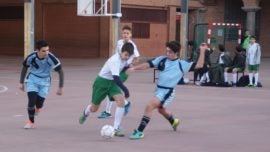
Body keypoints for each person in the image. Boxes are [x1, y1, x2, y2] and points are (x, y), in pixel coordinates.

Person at [127, 41, 207, 139]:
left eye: (170, 52)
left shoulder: (182, 64)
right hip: (158, 90)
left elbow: (199, 65)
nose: (167, 53)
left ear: (176, 53)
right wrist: (134, 68)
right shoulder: (162, 59)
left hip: (167, 92)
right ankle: (174, 121)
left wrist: (202, 51)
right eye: (167, 51)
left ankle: (139, 131)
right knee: (161, 110)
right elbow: (148, 64)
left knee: (150, 106)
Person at [78, 42, 134, 137]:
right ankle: (85, 113)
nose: (127, 58)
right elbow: (117, 78)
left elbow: (124, 67)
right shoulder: (114, 60)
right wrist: (126, 90)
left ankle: (116, 128)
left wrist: (128, 67)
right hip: (101, 83)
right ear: (121, 52)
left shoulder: (125, 59)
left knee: (120, 101)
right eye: (126, 55)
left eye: (129, 56)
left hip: (112, 84)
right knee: (94, 108)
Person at [19, 40, 64, 129]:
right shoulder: (31, 57)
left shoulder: (51, 58)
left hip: (45, 81)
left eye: (48, 50)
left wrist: (60, 87)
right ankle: (31, 121)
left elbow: (61, 72)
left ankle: (38, 108)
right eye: (44, 51)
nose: (46, 52)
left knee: (39, 103)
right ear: (38, 50)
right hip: (32, 79)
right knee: (31, 101)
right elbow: (24, 68)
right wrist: (21, 82)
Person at [97, 25, 140, 119]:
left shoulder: (132, 46)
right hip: (118, 68)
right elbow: (117, 54)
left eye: (127, 33)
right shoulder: (119, 42)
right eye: (124, 33)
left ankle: (120, 106)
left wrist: (131, 64)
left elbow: (137, 58)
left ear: (130, 35)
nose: (125, 34)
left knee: (112, 87)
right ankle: (116, 108)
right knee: (111, 88)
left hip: (124, 70)